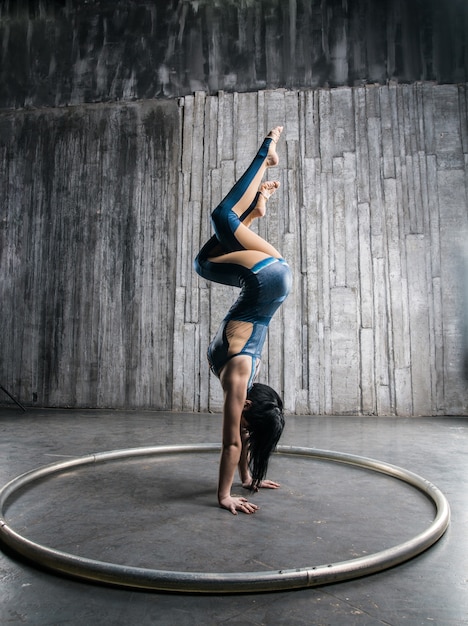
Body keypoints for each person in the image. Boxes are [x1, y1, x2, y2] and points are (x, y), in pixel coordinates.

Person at [194, 126, 292, 515]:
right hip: (266, 279)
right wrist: (223, 495)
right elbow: (232, 443)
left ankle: (253, 212)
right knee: (221, 216)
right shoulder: (238, 377)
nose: (242, 428)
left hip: (269, 282)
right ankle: (266, 152)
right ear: (247, 402)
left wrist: (249, 480)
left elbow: (243, 437)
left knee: (202, 263)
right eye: (247, 420)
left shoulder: (244, 382)